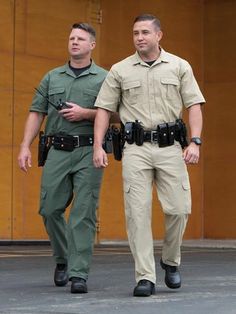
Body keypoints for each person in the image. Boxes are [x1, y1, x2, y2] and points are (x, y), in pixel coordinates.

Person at [93, 14, 205, 297]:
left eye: (145, 32)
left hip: (170, 148)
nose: (139, 37)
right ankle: (145, 276)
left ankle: (170, 260)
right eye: (135, 33)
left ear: (159, 35)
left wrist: (195, 142)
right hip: (136, 150)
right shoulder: (120, 70)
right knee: (137, 214)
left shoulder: (179, 66)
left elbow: (194, 105)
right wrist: (97, 146)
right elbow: (104, 110)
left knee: (180, 209)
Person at [18, 23, 107, 294]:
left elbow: (116, 115)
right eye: (71, 38)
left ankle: (78, 273)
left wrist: (86, 114)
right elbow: (36, 112)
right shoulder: (52, 77)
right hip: (57, 150)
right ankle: (63, 258)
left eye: (81, 39)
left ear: (92, 44)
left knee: (83, 213)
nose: (75, 42)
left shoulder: (104, 78)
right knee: (49, 209)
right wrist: (25, 146)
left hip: (88, 150)